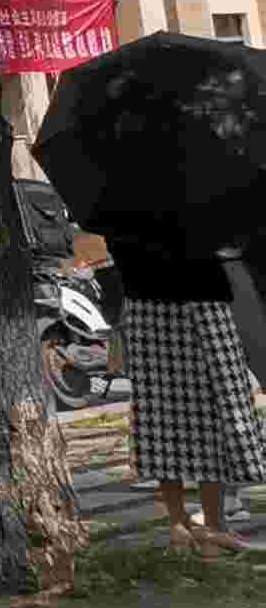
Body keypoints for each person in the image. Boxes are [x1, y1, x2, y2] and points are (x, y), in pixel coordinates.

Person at [111, 227, 264, 557]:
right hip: (201, 298)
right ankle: (214, 525)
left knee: (160, 417)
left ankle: (178, 524)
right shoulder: (187, 203)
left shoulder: (114, 206)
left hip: (144, 306)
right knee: (215, 413)